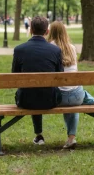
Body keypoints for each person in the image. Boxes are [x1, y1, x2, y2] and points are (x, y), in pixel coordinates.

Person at [12, 16, 63, 145]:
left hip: (25, 100)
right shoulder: (56, 50)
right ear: (47, 31)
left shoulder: (19, 49)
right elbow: (60, 75)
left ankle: (39, 135)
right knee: (40, 90)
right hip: (50, 100)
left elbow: (14, 76)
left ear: (31, 29)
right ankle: (39, 135)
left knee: (32, 90)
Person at [47, 21, 85, 149]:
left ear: (51, 32)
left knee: (65, 92)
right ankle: (71, 138)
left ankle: (71, 139)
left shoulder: (49, 48)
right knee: (73, 100)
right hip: (76, 97)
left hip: (58, 97)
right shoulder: (72, 48)